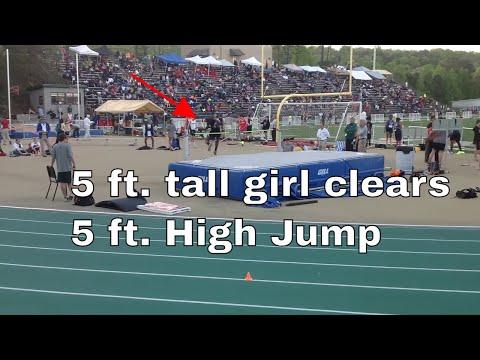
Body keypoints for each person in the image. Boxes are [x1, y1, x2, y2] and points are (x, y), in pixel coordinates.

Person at [50, 133, 76, 201]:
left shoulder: (55, 146)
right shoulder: (67, 145)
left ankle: (65, 196)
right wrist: (74, 163)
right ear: (64, 138)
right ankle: (72, 194)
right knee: (69, 182)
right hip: (67, 167)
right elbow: (70, 155)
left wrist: (52, 165)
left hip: (60, 168)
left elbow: (53, 157)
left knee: (62, 183)